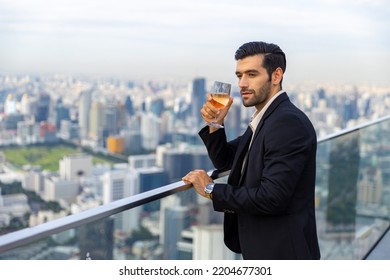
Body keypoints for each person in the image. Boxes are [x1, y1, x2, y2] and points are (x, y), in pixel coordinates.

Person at [182, 41, 321, 260]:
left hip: (283, 253)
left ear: (276, 76)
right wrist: (215, 124)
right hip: (265, 248)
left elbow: (272, 198)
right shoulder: (266, 118)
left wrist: (210, 189)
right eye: (239, 76)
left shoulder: (286, 123)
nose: (243, 84)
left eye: (252, 74)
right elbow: (227, 160)